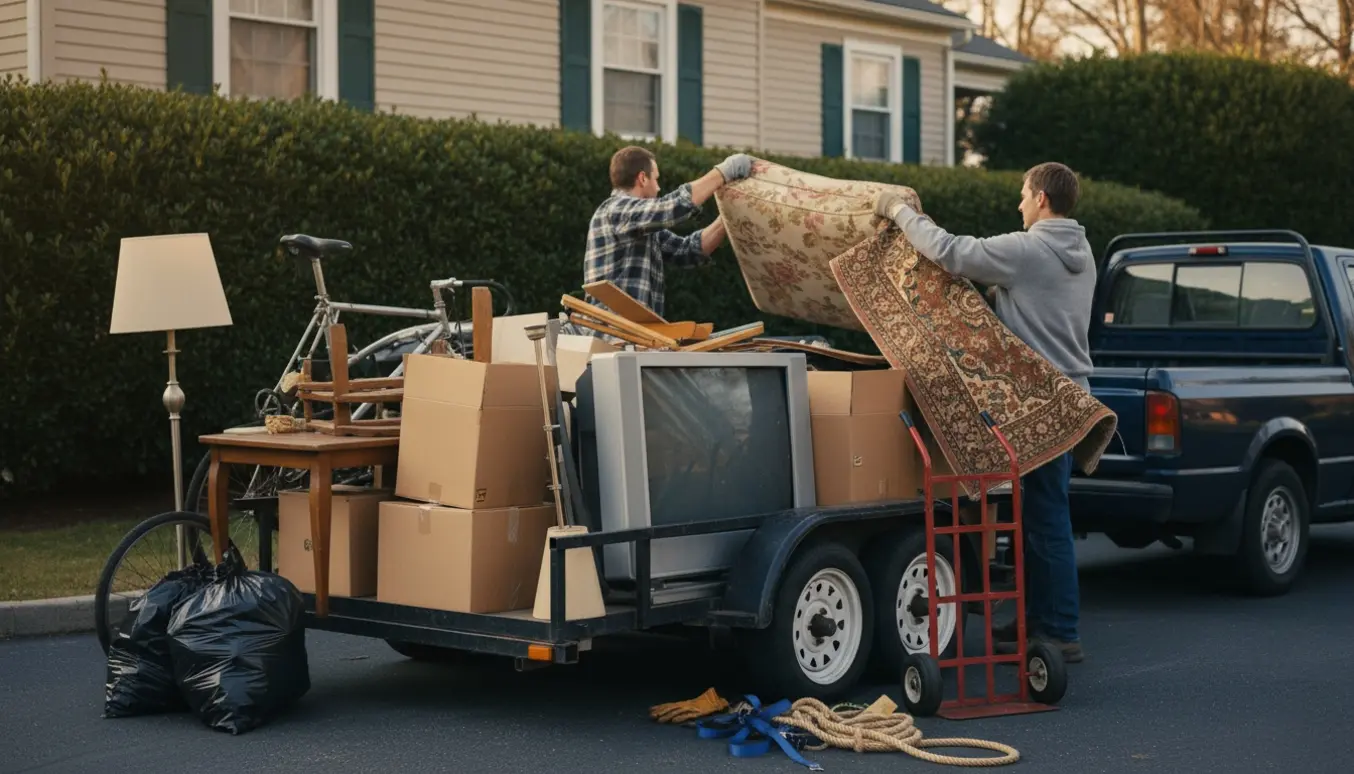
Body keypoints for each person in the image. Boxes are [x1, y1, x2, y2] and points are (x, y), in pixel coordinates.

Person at [873, 162, 1095, 664]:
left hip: (1038, 396)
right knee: (1040, 516)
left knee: (1046, 520)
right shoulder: (1083, 252)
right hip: (1068, 397)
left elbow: (951, 252)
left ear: (1041, 198)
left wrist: (899, 211)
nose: (1018, 204)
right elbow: (1038, 310)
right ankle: (1037, 619)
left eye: (1022, 195)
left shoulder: (1030, 249)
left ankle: (1059, 631)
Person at [579, 146, 753, 330]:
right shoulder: (615, 210)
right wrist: (724, 172)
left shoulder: (640, 225)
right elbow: (671, 208)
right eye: (656, 179)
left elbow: (686, 250)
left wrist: (727, 217)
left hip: (633, 341)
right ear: (642, 178)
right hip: (611, 339)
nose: (659, 186)